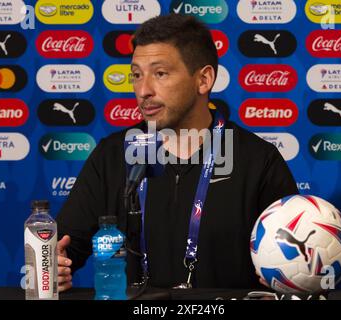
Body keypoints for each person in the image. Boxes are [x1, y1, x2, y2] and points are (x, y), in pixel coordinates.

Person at [56, 14, 298, 293]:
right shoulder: (112, 156)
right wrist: (55, 265)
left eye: (160, 74)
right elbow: (64, 247)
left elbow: (294, 258)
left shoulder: (259, 161)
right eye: (136, 74)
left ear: (204, 79)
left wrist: (289, 278)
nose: (143, 90)